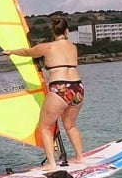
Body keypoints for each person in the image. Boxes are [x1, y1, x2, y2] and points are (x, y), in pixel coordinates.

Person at [7, 14, 85, 167]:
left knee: (44, 126)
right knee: (70, 125)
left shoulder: (47, 47)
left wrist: (11, 51)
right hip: (78, 88)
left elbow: (26, 52)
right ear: (67, 31)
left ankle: (51, 163)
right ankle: (80, 156)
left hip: (60, 88)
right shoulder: (73, 47)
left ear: (53, 31)